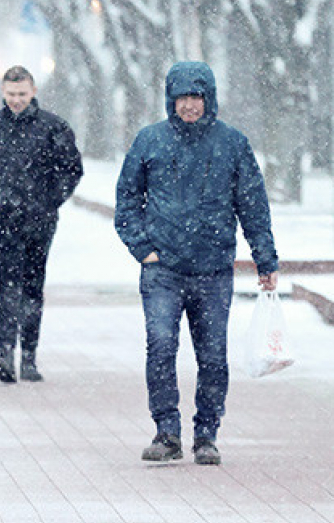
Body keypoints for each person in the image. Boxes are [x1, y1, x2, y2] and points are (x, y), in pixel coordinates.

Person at [114, 61, 279, 467]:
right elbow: (126, 201)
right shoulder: (150, 141)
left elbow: (253, 206)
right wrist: (144, 250)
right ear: (171, 99)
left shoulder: (232, 144)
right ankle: (167, 431)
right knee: (161, 348)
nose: (190, 105)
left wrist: (265, 260)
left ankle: (207, 434)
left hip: (213, 269)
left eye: (197, 97)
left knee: (212, 356)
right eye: (183, 98)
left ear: (210, 99)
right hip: (162, 271)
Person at [0, 65, 82, 383]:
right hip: (3, 219)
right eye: (12, 94)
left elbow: (71, 169)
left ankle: (29, 355)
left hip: (40, 220)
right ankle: (5, 353)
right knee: (6, 284)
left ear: (33, 93)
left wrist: (50, 201)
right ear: (3, 92)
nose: (16, 100)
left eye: (22, 94)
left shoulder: (53, 127)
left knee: (32, 286)